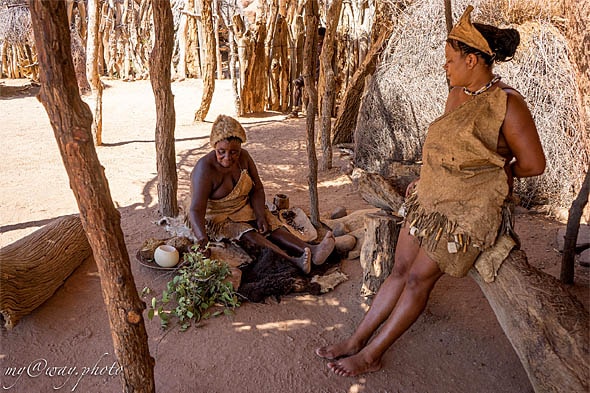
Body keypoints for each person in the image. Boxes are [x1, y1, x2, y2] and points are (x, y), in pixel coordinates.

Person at [315, 5, 546, 377]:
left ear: (473, 60)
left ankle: (373, 354)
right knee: (399, 269)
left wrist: (492, 175)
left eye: (451, 60)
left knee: (418, 278)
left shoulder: (508, 104)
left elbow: (533, 164)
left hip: (466, 212)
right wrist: (426, 180)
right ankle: (357, 339)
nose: (446, 66)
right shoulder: (459, 93)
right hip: (431, 200)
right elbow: (447, 148)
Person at [188, 115, 336, 274]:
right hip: (216, 215)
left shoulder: (244, 158)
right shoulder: (204, 169)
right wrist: (202, 240)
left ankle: (311, 250)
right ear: (214, 147)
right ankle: (292, 260)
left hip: (242, 206)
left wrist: (259, 215)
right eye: (221, 152)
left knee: (271, 225)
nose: (227, 158)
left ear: (240, 148)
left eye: (234, 152)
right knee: (247, 233)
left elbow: (257, 188)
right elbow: (196, 210)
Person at [288, 26, 326, 118]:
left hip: (320, 73)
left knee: (318, 88)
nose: (319, 40)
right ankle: (295, 109)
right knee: (297, 84)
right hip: (309, 73)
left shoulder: (325, 48)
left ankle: (318, 110)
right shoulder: (313, 47)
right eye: (318, 37)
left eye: (320, 38)